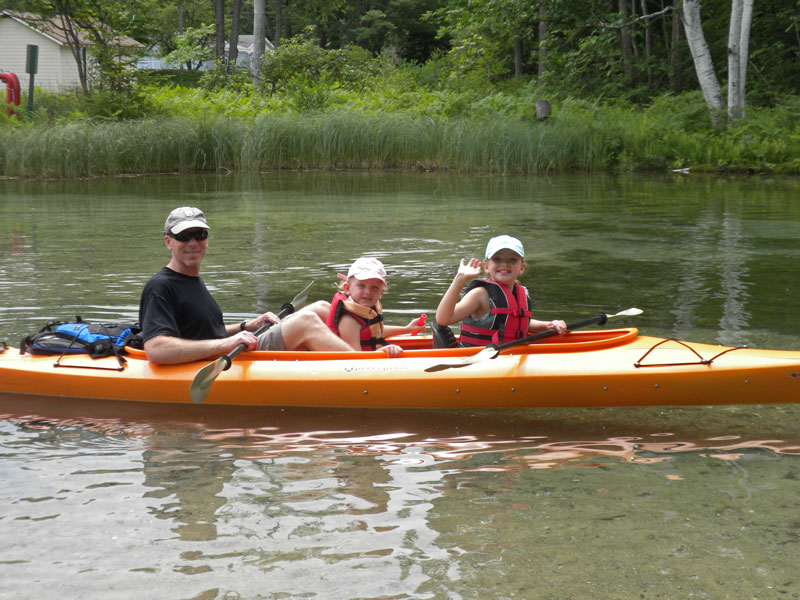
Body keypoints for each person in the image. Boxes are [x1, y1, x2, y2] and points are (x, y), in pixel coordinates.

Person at [139, 206, 354, 364]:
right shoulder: (160, 287)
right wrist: (228, 344)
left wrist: (247, 326)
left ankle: (366, 347)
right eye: (184, 236)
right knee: (306, 320)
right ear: (169, 242)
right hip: (223, 356)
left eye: (200, 234)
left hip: (232, 345)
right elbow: (157, 349)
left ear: (206, 239)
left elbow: (202, 331)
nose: (193, 242)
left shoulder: (191, 280)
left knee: (321, 308)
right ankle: (363, 366)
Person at [433, 235, 567, 348]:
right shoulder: (480, 294)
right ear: (486, 266)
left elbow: (513, 323)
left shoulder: (521, 292)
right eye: (497, 259)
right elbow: (443, 319)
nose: (504, 263)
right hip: (476, 361)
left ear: (522, 268)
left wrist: (548, 325)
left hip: (511, 357)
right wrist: (459, 280)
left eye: (512, 259)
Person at [326, 257, 425, 357]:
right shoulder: (349, 320)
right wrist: (381, 352)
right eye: (361, 285)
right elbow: (355, 358)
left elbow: (374, 331)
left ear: (381, 293)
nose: (368, 292)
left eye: (374, 287)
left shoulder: (366, 308)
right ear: (347, 288)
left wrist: (407, 329)